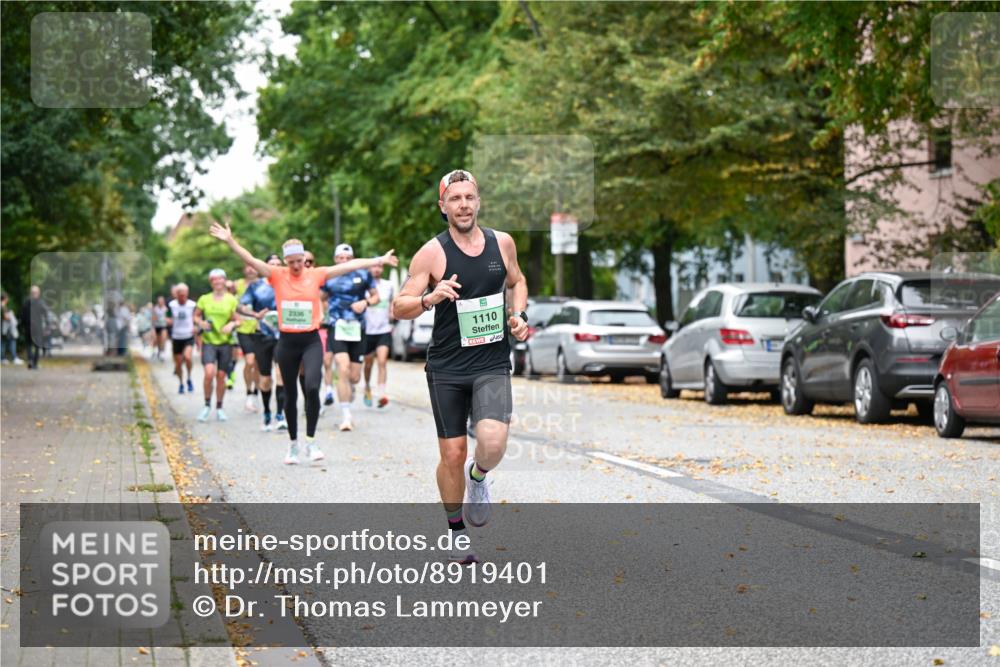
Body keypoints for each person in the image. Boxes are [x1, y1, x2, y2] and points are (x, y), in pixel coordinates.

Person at [393, 169, 529, 564]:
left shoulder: (502, 243)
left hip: (491, 363)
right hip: (448, 368)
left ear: (479, 201)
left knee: (492, 443)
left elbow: (517, 281)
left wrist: (518, 314)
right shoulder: (431, 253)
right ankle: (455, 529)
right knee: (452, 454)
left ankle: (479, 477)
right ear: (443, 206)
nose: (463, 205)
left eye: (469, 197)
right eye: (455, 199)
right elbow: (399, 306)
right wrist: (430, 297)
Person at [209, 221, 398, 464]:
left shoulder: (316, 274)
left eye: (299, 260)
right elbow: (252, 260)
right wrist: (230, 241)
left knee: (311, 386)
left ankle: (311, 440)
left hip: (310, 340)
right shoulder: (277, 275)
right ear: (286, 262)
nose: (296, 266)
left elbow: (349, 265)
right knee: (289, 393)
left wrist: (377, 260)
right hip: (287, 342)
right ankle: (293, 444)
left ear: (304, 259)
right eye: (292, 262)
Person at [321, 243, 379, 431]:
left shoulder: (363, 274)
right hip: (336, 327)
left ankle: (349, 388)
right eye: (340, 258)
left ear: (352, 259)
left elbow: (376, 296)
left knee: (354, 376)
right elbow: (318, 297)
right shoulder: (328, 277)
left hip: (357, 328)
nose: (344, 261)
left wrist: (365, 302)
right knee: (343, 369)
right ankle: (346, 415)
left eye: (347, 258)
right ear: (335, 259)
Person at [239, 253, 286, 431]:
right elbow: (241, 306)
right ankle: (267, 412)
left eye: (278, 264)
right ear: (264, 267)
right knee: (265, 379)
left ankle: (280, 415)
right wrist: (254, 314)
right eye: (271, 264)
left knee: (281, 374)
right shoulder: (256, 286)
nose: (275, 267)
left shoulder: (289, 283)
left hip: (284, 336)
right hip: (262, 336)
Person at [193, 269, 240, 422]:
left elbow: (238, 320)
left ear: (225, 281)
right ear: (211, 282)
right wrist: (201, 323)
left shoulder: (231, 299)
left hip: (225, 343)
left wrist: (231, 324)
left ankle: (219, 407)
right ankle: (207, 405)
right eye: (215, 280)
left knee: (221, 376)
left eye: (220, 279)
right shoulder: (204, 299)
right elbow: (196, 315)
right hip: (209, 341)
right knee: (209, 373)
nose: (218, 282)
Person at [363, 261, 394, 408]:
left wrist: (392, 313)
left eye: (379, 266)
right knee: (368, 364)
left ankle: (381, 393)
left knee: (382, 361)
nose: (376, 269)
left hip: (383, 329)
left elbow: (393, 303)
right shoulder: (364, 286)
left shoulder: (388, 285)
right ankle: (367, 387)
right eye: (374, 266)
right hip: (368, 330)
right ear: (369, 268)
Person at [234, 265, 261, 412]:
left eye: (253, 267)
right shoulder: (237, 284)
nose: (251, 270)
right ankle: (249, 393)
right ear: (244, 270)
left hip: (259, 328)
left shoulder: (263, 284)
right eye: (248, 267)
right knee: (249, 361)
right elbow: (231, 302)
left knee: (257, 364)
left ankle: (256, 391)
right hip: (243, 328)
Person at [167, 283, 197, 394]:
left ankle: (189, 377)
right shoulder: (171, 305)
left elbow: (197, 318)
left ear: (187, 294)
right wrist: (168, 321)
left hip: (188, 335)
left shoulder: (192, 305)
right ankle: (181, 383)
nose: (182, 297)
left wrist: (196, 327)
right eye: (180, 295)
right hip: (176, 337)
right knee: (178, 363)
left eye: (184, 295)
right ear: (177, 294)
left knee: (188, 357)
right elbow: (167, 316)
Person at [20, 285, 47, 369]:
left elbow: (22, 316)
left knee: (28, 345)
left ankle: (30, 360)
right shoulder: (40, 302)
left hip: (28, 327)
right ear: (38, 293)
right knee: (37, 346)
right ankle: (34, 363)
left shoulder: (26, 302)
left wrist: (23, 326)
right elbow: (45, 313)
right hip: (37, 328)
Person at [1, 293, 21, 364]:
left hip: (3, 328)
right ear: (5, 298)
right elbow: (5, 317)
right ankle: (4, 358)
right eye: (7, 298)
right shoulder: (3, 307)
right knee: (5, 342)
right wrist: (11, 317)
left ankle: (3, 357)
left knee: (3, 343)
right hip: (4, 328)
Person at [152, 296, 169, 361]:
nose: (160, 303)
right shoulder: (155, 309)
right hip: (156, 326)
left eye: (161, 301)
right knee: (156, 339)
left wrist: (166, 320)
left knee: (163, 339)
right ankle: (155, 351)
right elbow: (153, 318)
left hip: (163, 326)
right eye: (159, 301)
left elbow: (168, 317)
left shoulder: (166, 309)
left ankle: (162, 352)